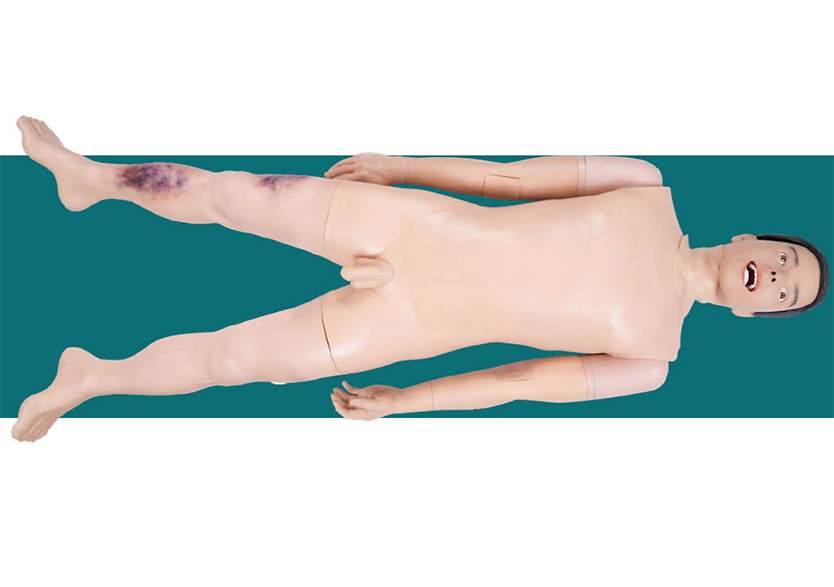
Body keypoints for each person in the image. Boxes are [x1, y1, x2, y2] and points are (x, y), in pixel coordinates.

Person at [11, 116, 828, 442]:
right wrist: (402, 165)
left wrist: (410, 401)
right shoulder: (647, 184)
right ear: (751, 238)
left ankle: (91, 379)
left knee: (234, 361)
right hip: (411, 223)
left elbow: (517, 381)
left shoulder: (651, 361)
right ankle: (91, 177)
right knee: (236, 194)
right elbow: (512, 179)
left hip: (405, 324)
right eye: (786, 261)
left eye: (785, 293)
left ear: (754, 313)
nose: (776, 278)